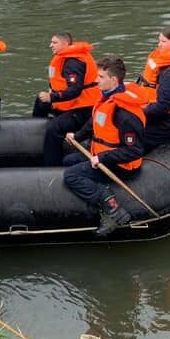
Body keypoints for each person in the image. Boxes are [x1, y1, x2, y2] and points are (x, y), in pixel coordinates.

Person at [63, 56, 146, 237]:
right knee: (68, 160)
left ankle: (114, 211)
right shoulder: (107, 99)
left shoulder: (125, 114)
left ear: (114, 80)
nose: (95, 81)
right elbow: (95, 122)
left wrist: (102, 158)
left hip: (119, 166)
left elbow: (135, 150)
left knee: (71, 175)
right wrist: (76, 136)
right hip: (101, 155)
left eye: (101, 77)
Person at [33, 32, 102, 166]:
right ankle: (34, 137)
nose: (50, 45)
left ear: (65, 44)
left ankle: (51, 166)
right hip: (67, 103)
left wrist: (52, 97)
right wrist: (50, 94)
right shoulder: (64, 58)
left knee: (54, 128)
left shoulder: (73, 63)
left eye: (54, 42)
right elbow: (59, 82)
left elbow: (74, 90)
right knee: (40, 101)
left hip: (82, 108)